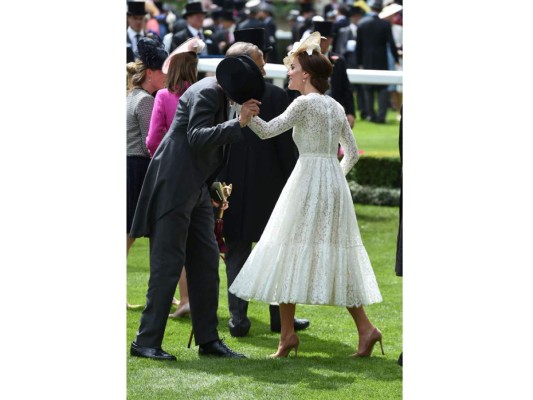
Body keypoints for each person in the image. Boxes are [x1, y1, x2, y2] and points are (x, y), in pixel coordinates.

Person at [228, 32, 383, 358]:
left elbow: (269, 131)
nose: (289, 72)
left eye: (293, 67)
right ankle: (360, 330)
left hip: (305, 182)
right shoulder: (335, 106)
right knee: (333, 256)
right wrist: (333, 180)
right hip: (332, 186)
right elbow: (352, 154)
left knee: (286, 251)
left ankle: (288, 336)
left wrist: (244, 113)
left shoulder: (303, 103)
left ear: (307, 75)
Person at [128, 41, 264, 361]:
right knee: (167, 266)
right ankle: (145, 342)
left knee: (205, 266)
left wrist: (212, 188)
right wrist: (238, 123)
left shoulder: (215, 91)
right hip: (175, 188)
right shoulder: (207, 91)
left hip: (195, 189)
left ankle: (208, 340)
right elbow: (196, 136)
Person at [219, 27, 310, 337]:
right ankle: (279, 320)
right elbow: (286, 148)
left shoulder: (223, 93)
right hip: (268, 187)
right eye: (259, 65)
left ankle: (238, 320)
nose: (263, 69)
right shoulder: (274, 95)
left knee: (237, 253)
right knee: (275, 255)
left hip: (233, 186)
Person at [145, 37, 206, 319]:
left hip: (170, 175)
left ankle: (179, 300)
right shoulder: (205, 94)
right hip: (200, 176)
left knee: (169, 243)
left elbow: (153, 139)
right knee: (199, 243)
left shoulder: (164, 97)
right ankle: (190, 299)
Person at [126, 36, 168, 309]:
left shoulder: (132, 96)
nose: (166, 75)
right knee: (131, 233)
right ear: (150, 73)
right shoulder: (145, 102)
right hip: (138, 167)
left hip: (130, 166)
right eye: (162, 70)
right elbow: (150, 144)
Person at [355, 0, 399, 123]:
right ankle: (381, 116)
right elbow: (391, 44)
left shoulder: (362, 24)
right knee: (382, 88)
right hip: (381, 59)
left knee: (368, 88)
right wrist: (396, 59)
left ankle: (370, 114)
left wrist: (359, 62)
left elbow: (359, 46)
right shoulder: (385, 24)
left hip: (366, 60)